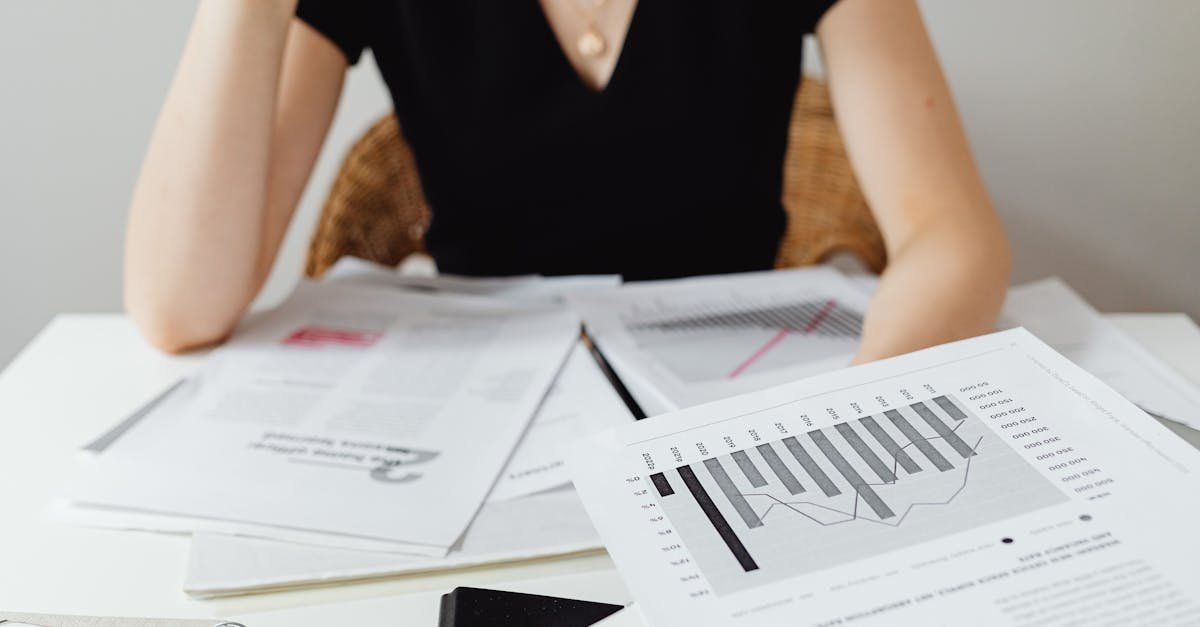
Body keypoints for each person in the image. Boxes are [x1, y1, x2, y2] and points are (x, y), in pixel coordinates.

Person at [123, 0, 1010, 364]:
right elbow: (177, 308)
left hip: (728, 388)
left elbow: (950, 235)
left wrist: (867, 396)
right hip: (477, 399)